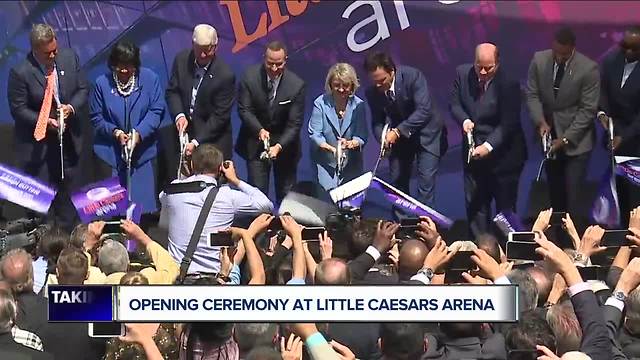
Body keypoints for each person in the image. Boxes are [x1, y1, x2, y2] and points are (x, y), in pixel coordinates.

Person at [7, 23, 89, 231]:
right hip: (40, 148)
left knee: (70, 197)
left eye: (55, 50)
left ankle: (71, 238)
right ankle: (46, 243)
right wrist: (45, 121)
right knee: (45, 204)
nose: (53, 56)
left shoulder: (69, 58)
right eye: (47, 53)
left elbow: (82, 89)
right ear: (35, 50)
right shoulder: (21, 72)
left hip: (69, 140)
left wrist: (69, 107)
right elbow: (19, 109)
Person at [449, 43, 526, 239]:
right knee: (476, 208)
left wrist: (488, 146)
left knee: (504, 212)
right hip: (473, 155)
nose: (482, 72)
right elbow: (455, 104)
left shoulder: (509, 84)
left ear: (497, 64)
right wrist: (464, 120)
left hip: (504, 156)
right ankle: (481, 251)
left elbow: (508, 123)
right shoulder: (462, 73)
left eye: (488, 68)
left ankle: (506, 252)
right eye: (478, 66)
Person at [159, 144, 273, 275]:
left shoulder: (173, 190)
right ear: (220, 169)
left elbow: (162, 197)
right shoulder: (228, 196)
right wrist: (235, 180)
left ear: (191, 166)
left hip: (178, 277)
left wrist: (187, 177)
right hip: (214, 279)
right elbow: (266, 205)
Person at [526, 27, 599, 218]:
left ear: (572, 49)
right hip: (550, 138)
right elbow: (532, 94)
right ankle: (558, 241)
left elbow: (588, 110)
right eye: (556, 53)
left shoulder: (588, 69)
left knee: (573, 198)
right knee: (555, 196)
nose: (559, 58)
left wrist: (566, 139)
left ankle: (573, 241)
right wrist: (540, 121)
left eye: (564, 55)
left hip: (577, 143)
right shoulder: (539, 60)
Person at [363, 51, 445, 217]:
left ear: (391, 71)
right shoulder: (372, 92)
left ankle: (425, 228)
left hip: (426, 134)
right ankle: (402, 228)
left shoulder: (412, 76)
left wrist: (399, 131)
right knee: (397, 184)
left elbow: (424, 111)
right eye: (374, 82)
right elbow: (377, 121)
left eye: (382, 81)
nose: (378, 86)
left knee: (425, 183)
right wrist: (383, 138)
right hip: (399, 140)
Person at [90, 40, 165, 215]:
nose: (124, 70)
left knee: (141, 211)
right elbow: (96, 117)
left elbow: (157, 110)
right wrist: (114, 132)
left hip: (143, 156)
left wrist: (138, 133)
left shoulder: (150, 79)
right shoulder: (102, 83)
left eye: (129, 66)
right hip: (110, 156)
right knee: (113, 213)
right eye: (119, 66)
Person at [236, 41, 306, 203]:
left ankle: (285, 227)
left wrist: (278, 146)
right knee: (258, 196)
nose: (274, 69)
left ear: (285, 60)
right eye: (270, 64)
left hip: (286, 147)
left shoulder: (296, 85)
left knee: (287, 196)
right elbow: (244, 110)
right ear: (264, 59)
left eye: (279, 64)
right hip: (255, 143)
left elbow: (294, 123)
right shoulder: (249, 78)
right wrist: (259, 130)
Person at [166, 24, 235, 159]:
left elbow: (220, 116)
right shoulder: (181, 60)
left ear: (215, 47)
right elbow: (173, 92)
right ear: (192, 44)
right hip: (185, 136)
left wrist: (196, 142)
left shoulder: (225, 75)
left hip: (213, 142)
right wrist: (179, 115)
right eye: (199, 50)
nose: (203, 55)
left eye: (207, 50)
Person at [598, 25, 640, 227]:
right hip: (613, 139)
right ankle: (621, 239)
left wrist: (624, 136)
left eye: (634, 48)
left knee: (635, 198)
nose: (629, 52)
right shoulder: (610, 60)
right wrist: (602, 114)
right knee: (618, 193)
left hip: (636, 143)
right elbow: (602, 91)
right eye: (625, 46)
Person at [308, 63, 368, 191]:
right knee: (329, 200)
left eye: (345, 85)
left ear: (352, 86)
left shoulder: (359, 105)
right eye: (337, 85)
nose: (341, 89)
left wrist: (350, 144)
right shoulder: (320, 103)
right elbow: (315, 134)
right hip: (326, 163)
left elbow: (361, 136)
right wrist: (333, 150)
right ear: (330, 85)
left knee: (351, 202)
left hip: (352, 164)